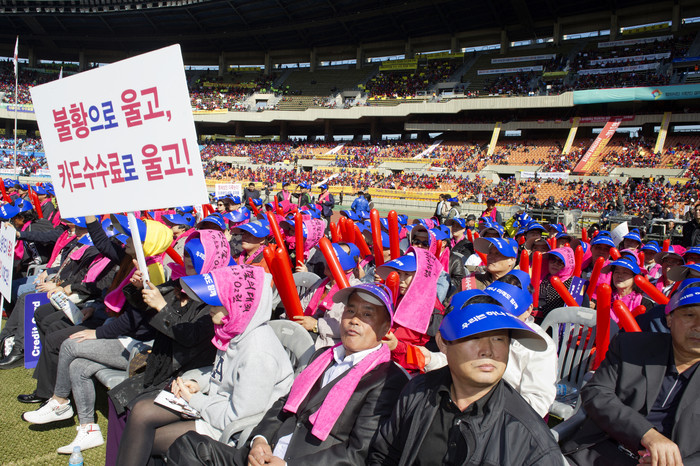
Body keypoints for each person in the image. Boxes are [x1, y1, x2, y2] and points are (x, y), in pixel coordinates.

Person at [165, 283, 410, 465]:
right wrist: (259, 439)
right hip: (267, 454)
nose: (354, 320)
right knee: (189, 445)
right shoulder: (322, 356)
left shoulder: (386, 379)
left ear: (385, 327)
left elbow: (358, 452)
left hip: (301, 462)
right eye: (350, 311)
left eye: (367, 315)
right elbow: (284, 405)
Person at [115, 265, 294, 465]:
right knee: (142, 411)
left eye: (217, 304)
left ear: (238, 307)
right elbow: (224, 375)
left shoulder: (258, 354)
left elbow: (235, 417)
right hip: (214, 404)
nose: (210, 310)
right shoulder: (234, 330)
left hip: (231, 427)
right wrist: (199, 383)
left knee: (148, 440)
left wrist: (195, 399)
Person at [366, 301, 563, 465]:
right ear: (443, 343)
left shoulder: (530, 440)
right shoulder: (418, 391)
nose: (488, 350)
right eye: (474, 337)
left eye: (498, 339)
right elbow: (384, 454)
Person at [562, 279, 700, 465]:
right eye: (689, 315)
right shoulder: (632, 347)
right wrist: (646, 433)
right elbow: (596, 393)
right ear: (669, 319)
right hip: (599, 452)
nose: (698, 326)